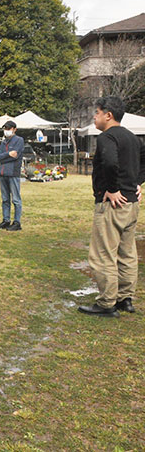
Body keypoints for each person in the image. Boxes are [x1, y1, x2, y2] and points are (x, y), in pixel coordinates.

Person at [79, 96, 145, 317]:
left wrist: (113, 188)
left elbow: (109, 162)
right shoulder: (133, 138)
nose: (94, 117)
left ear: (108, 115)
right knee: (127, 253)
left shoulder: (107, 137)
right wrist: (137, 183)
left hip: (112, 205)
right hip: (131, 205)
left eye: (96, 113)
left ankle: (107, 303)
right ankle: (125, 299)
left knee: (103, 254)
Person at [0, 120, 24, 231]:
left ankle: (17, 222)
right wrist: (7, 155)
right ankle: (6, 220)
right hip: (3, 173)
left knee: (16, 199)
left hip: (13, 173)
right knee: (5, 199)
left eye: (9, 129)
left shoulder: (19, 140)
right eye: (5, 129)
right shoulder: (4, 142)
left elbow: (15, 156)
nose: (6, 131)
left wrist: (3, 158)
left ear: (14, 129)